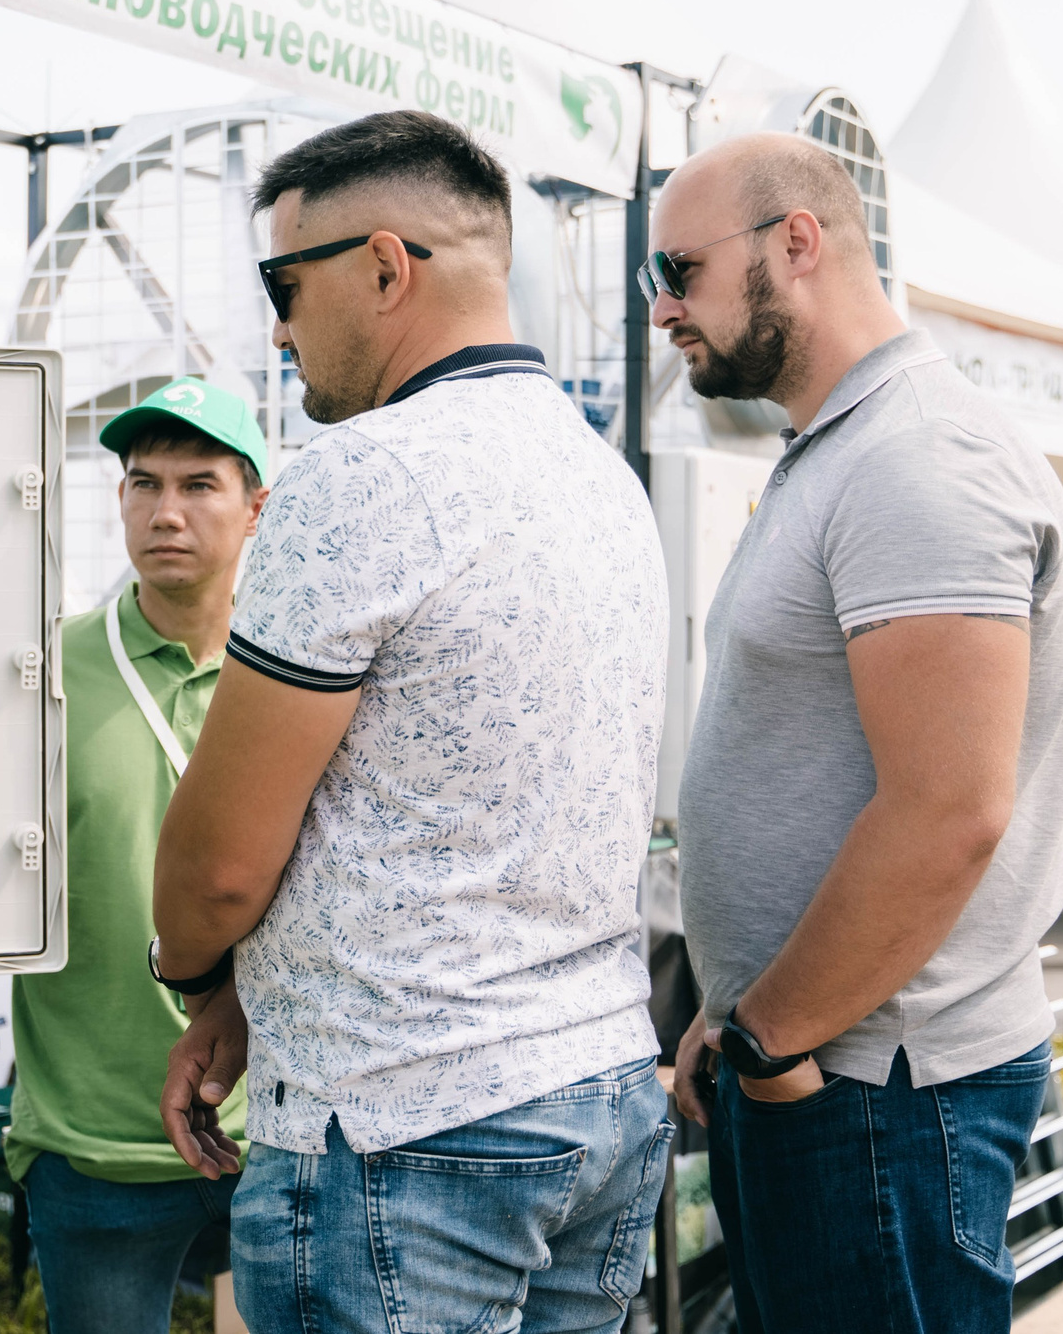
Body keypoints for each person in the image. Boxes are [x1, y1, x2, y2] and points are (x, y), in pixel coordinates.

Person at [152, 110, 673, 1334]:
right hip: (592, 1084)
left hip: (401, 1124)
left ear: (385, 266)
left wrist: (191, 970)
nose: (276, 328)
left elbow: (222, 861)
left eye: (284, 282)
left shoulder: (366, 472)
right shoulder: (602, 475)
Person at [656, 133, 1063, 1334]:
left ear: (796, 241)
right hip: (825, 1065)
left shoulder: (917, 459)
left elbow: (947, 810)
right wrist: (737, 1007)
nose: (661, 309)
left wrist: (769, 1041)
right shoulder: (842, 449)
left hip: (875, 1091)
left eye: (678, 269)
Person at [6, 377, 268, 1334]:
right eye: (142, 483)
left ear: (255, 508)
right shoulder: (42, 671)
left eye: (199, 485)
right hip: (93, 1137)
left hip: (277, 1132)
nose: (165, 511)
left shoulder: (299, 676)